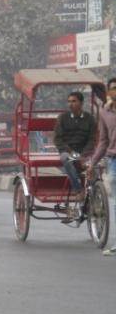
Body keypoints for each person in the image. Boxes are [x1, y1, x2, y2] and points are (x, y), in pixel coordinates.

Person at [89, 77, 116, 255]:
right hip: (113, 160)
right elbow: (103, 142)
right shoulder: (104, 113)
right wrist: (92, 163)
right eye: (113, 88)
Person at [53, 91, 96, 197]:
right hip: (68, 151)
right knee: (66, 159)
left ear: (81, 103)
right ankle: (78, 190)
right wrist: (72, 152)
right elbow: (58, 139)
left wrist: (84, 154)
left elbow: (92, 139)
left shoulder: (90, 118)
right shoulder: (63, 117)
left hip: (85, 151)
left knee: (96, 164)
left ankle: (95, 193)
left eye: (74, 101)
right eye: (69, 101)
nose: (70, 104)